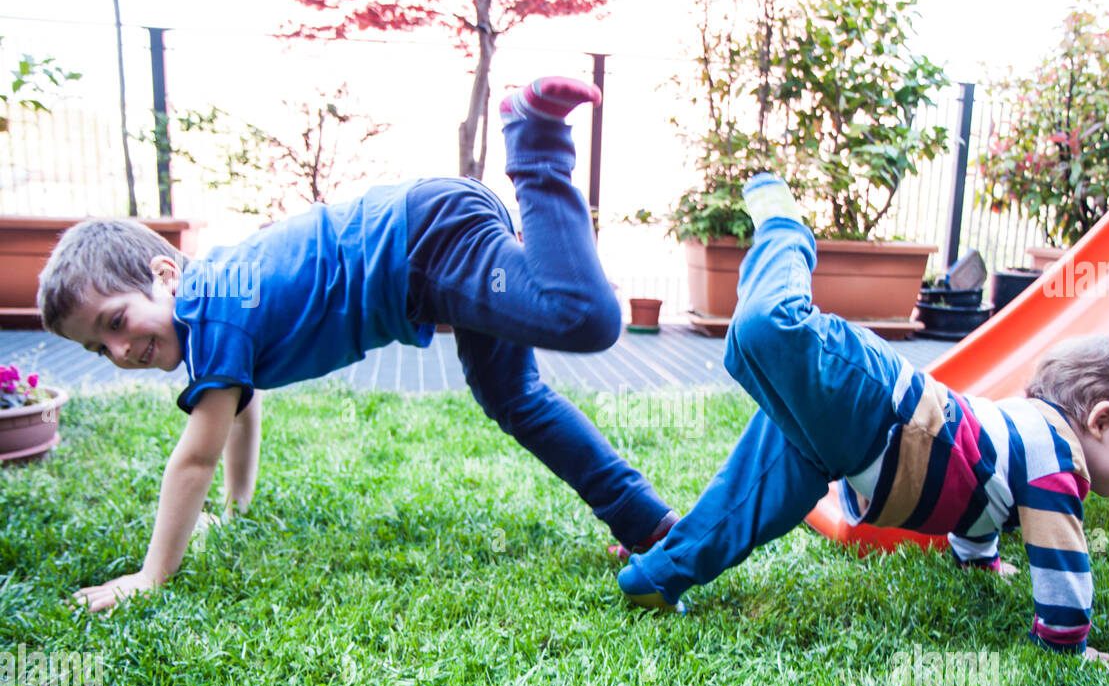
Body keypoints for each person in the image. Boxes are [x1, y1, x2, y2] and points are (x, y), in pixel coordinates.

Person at [38, 76, 676, 614]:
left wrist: (149, 578)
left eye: (116, 322)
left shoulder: (215, 317)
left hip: (426, 243)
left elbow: (193, 460)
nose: (119, 352)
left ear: (164, 275)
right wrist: (235, 509)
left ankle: (533, 140)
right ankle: (645, 522)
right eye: (99, 349)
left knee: (582, 318)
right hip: (427, 237)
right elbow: (239, 406)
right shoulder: (216, 318)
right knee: (513, 395)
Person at [618, 173, 1109, 661]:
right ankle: (786, 229)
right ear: (1101, 419)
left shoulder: (1025, 443)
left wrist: (978, 562)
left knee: (751, 503)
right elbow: (1062, 558)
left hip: (851, 447)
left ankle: (656, 578)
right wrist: (1065, 645)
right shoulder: (1058, 457)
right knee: (767, 327)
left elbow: (983, 497)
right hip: (880, 405)